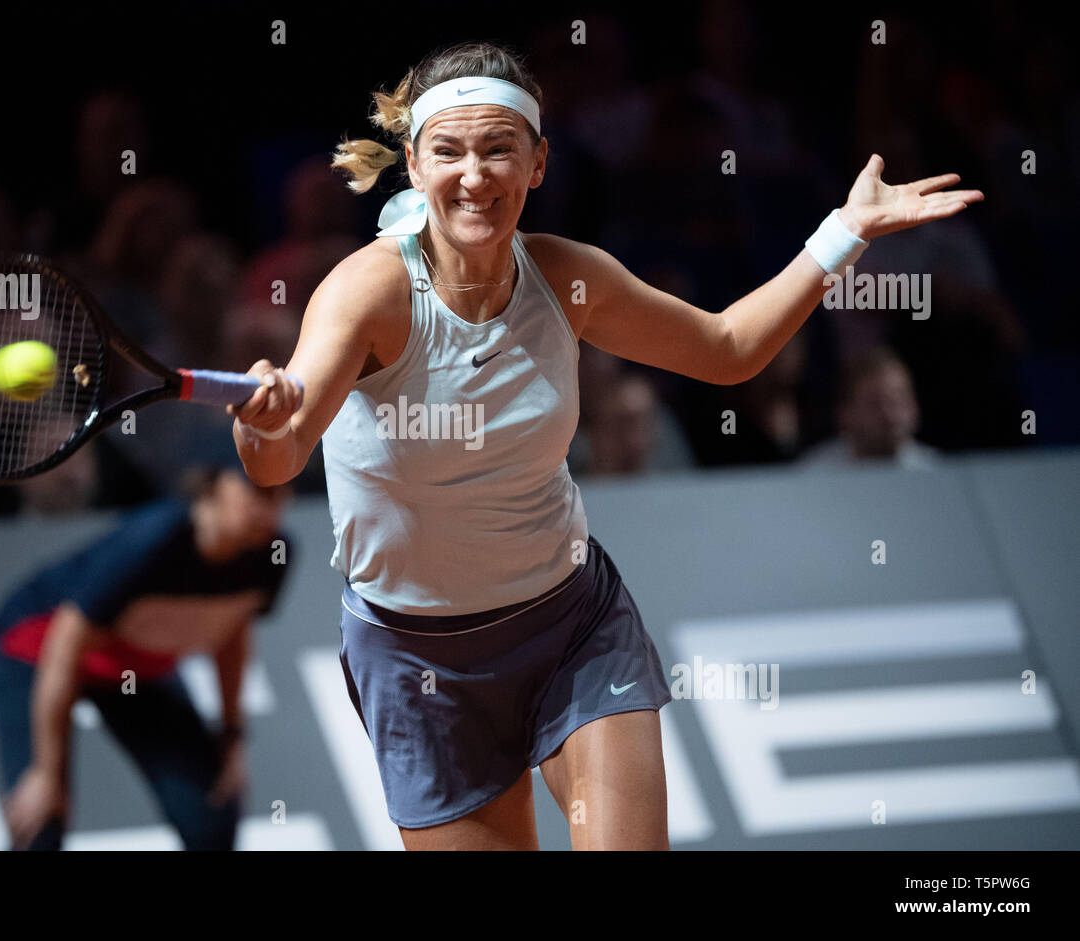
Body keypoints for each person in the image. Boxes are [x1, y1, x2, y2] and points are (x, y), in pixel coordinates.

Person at [224, 41, 982, 850]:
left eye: (498, 149)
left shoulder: (568, 277)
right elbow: (279, 457)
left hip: (570, 628)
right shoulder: (366, 291)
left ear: (539, 162)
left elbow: (727, 347)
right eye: (448, 151)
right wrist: (259, 420)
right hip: (417, 662)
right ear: (413, 164)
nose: (473, 175)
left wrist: (844, 232)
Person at [0, 465, 291, 850]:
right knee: (39, 823)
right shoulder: (154, 540)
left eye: (279, 494)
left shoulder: (272, 556)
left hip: (135, 665)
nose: (268, 508)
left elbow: (230, 634)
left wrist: (232, 737)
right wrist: (46, 774)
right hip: (36, 649)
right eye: (255, 490)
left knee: (212, 812)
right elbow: (65, 643)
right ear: (213, 484)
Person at [798, 346, 940, 469]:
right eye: (874, 404)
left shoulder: (938, 471)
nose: (889, 414)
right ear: (844, 413)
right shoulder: (811, 477)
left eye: (897, 401)